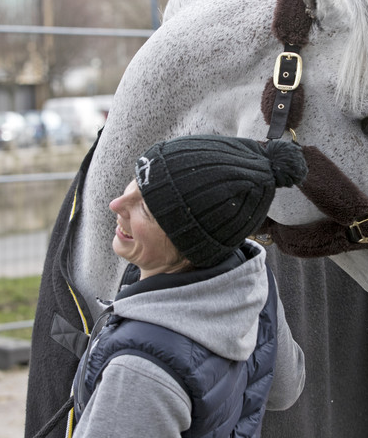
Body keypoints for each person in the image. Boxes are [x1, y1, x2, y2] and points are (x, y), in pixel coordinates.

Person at [70, 134, 307, 437]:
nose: (116, 204)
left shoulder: (139, 373)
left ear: (191, 243)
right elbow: (284, 390)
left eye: (147, 209)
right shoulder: (248, 284)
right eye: (136, 181)